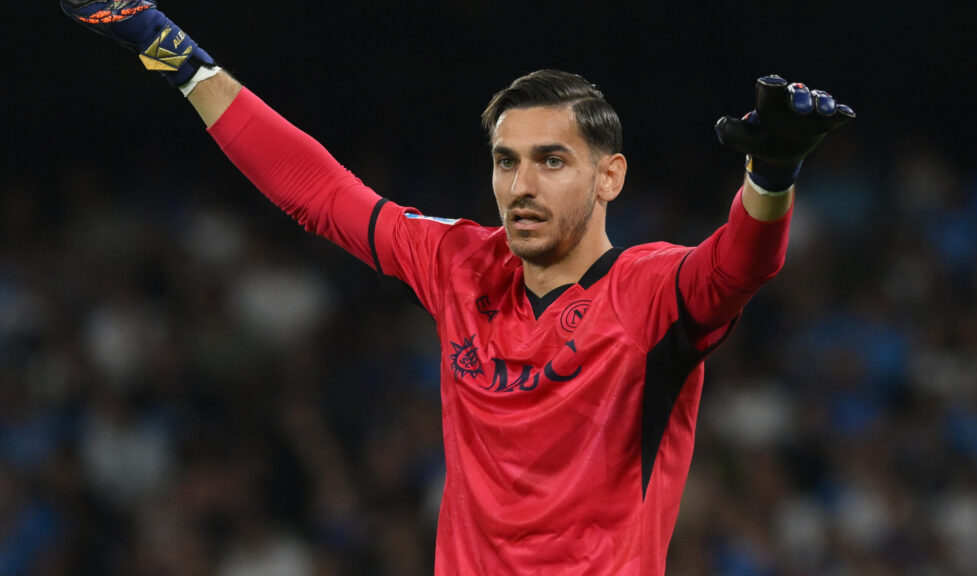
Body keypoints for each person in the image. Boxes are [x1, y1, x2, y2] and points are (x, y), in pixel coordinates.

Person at [58, 1, 855, 573]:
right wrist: (171, 48)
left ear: (609, 176)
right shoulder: (460, 263)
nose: (520, 185)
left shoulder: (649, 292)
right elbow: (321, 193)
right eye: (506, 161)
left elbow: (739, 266)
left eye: (551, 160)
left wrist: (770, 175)